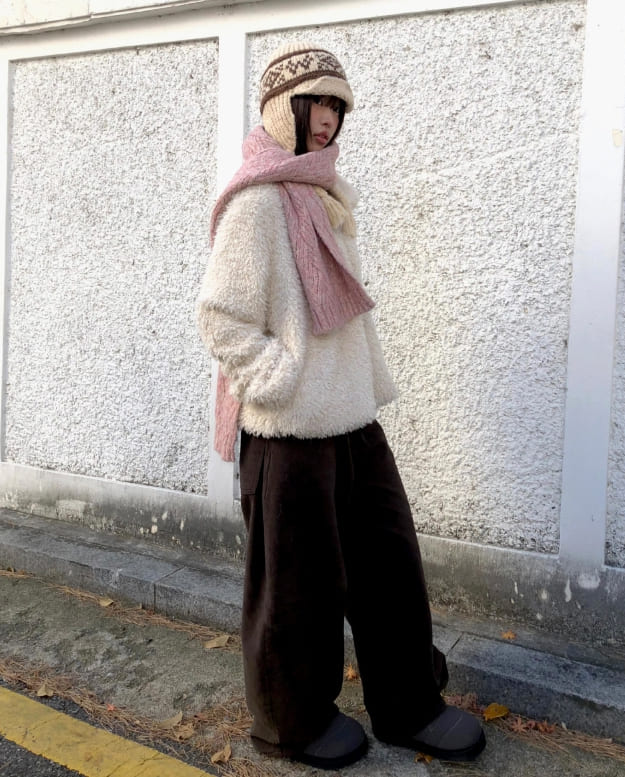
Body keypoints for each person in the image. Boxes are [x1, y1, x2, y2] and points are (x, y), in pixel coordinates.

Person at [197, 42, 486, 770]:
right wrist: (280, 380)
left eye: (336, 106)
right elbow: (222, 317)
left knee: (391, 567)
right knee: (296, 594)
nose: (326, 119)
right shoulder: (258, 202)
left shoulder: (322, 194)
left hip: (353, 420)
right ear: (282, 110)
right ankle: (293, 724)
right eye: (314, 104)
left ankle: (410, 704)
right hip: (290, 431)